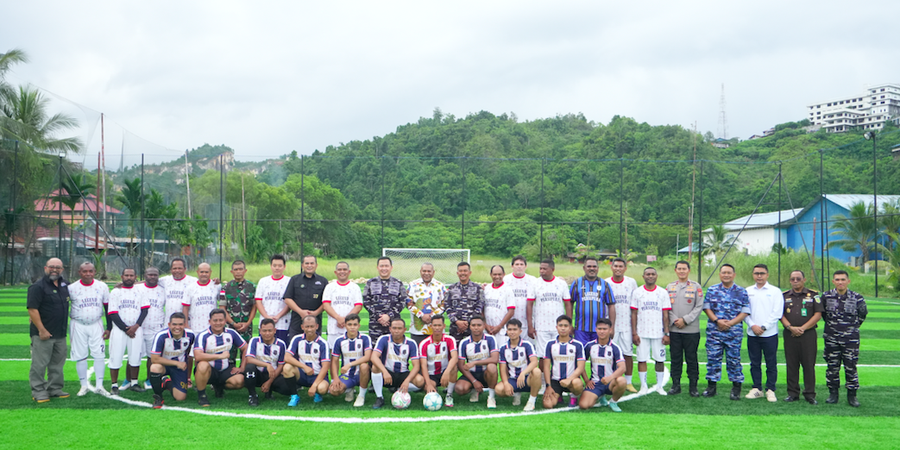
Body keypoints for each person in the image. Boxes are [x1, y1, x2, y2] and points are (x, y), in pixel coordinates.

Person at [703, 264, 750, 400]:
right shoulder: (712, 290)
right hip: (714, 331)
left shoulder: (741, 291)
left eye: (729, 272)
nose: (726, 275)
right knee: (713, 359)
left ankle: (736, 388)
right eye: (724, 272)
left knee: (734, 360)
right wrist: (717, 321)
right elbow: (707, 308)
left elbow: (745, 311)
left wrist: (730, 323)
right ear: (720, 274)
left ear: (734, 275)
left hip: (733, 332)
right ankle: (711, 387)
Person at [821, 270, 867, 407]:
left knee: (851, 366)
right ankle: (833, 393)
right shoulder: (826, 296)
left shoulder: (857, 297)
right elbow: (822, 314)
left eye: (842, 279)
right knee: (832, 367)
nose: (840, 282)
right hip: (831, 338)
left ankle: (852, 395)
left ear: (848, 281)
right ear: (833, 281)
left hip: (850, 339)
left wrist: (851, 328)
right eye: (837, 279)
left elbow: (862, 314)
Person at [28, 258, 71, 403]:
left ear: (62, 269)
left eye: (58, 267)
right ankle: (39, 390)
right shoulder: (38, 287)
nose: (55, 269)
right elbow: (32, 310)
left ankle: (55, 388)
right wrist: (41, 329)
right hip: (43, 334)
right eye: (51, 267)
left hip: (60, 333)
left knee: (57, 364)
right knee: (39, 364)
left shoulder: (65, 285)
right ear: (45, 268)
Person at [67, 262, 110, 396]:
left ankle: (100, 385)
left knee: (99, 354)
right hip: (77, 324)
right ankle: (83, 385)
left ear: (95, 271)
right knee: (80, 355)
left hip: (96, 324)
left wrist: (109, 327)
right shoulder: (71, 288)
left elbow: (107, 307)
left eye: (90, 271)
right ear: (79, 272)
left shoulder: (102, 286)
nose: (88, 274)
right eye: (84, 271)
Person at [780, 270, 823, 405]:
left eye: (798, 278)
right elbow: (780, 314)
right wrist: (790, 327)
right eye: (792, 279)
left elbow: (818, 314)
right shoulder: (784, 296)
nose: (795, 281)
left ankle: (810, 394)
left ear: (804, 280)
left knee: (808, 365)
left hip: (808, 334)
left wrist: (803, 328)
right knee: (792, 365)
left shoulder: (814, 295)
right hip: (790, 334)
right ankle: (792, 393)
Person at [744, 264, 782, 403]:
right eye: (756, 273)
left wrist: (764, 327)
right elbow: (744, 311)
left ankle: (770, 389)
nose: (759, 276)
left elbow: (777, 312)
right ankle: (757, 388)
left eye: (762, 273)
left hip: (769, 334)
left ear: (767, 274)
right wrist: (752, 325)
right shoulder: (747, 291)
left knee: (771, 362)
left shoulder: (775, 291)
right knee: (755, 362)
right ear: (753, 275)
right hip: (752, 333)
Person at [108, 268, 150, 395]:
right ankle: (114, 385)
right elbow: (112, 313)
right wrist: (126, 329)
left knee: (135, 356)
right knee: (116, 356)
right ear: (122, 276)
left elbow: (144, 310)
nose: (129, 277)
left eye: (131, 275)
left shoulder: (140, 291)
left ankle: (134, 383)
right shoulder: (115, 292)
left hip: (136, 330)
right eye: (126, 275)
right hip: (120, 330)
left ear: (135, 277)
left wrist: (136, 326)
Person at [665, 260, 704, 396]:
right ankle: (676, 385)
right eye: (679, 269)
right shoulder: (670, 287)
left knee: (691, 358)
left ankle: (693, 386)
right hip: (675, 329)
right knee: (675, 358)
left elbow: (699, 307)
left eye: (684, 269)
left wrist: (685, 320)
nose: (682, 271)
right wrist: (676, 320)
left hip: (691, 330)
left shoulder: (696, 287)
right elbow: (666, 307)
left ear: (689, 270)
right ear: (675, 270)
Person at [193, 308, 247, 406]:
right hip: (209, 370)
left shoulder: (231, 333)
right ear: (210, 321)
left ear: (225, 321)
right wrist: (219, 356)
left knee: (240, 381)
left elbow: (246, 348)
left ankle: (219, 387)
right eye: (215, 320)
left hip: (225, 369)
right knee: (202, 365)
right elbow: (198, 356)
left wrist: (242, 367)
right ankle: (202, 396)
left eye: (221, 320)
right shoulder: (203, 335)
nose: (218, 323)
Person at [631, 267, 671, 396]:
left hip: (658, 334)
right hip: (642, 333)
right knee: (642, 359)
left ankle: (659, 386)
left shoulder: (663, 292)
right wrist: (634, 333)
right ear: (643, 276)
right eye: (648, 274)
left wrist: (666, 333)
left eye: (653, 274)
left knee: (660, 360)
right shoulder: (637, 292)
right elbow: (634, 313)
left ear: (656, 276)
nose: (650, 276)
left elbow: (666, 314)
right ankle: (643, 386)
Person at [370, 317, 424, 409]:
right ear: (390, 329)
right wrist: (385, 372)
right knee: (375, 367)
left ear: (404, 330)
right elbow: (374, 356)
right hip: (388, 374)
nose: (396, 331)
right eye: (394, 328)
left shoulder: (411, 343)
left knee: (420, 381)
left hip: (403, 374)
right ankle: (379, 397)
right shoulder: (383, 339)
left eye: (399, 328)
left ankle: (399, 390)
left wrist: (407, 381)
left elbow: (416, 366)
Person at [148, 312, 196, 408]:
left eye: (180, 324)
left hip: (179, 368)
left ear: (184, 325)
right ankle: (158, 397)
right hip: (164, 366)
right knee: (154, 368)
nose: (177, 327)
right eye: (174, 324)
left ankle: (166, 383)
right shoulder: (161, 336)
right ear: (169, 325)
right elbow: (154, 359)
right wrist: (176, 363)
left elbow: (189, 351)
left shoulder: (190, 335)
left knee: (180, 397)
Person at [527, 259, 572, 361]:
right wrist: (530, 325)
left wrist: (568, 324)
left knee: (559, 354)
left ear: (552, 269)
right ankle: (543, 377)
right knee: (543, 355)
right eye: (540, 268)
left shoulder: (561, 283)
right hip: (541, 326)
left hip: (559, 326)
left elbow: (568, 304)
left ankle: (557, 376)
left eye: (544, 269)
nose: (542, 271)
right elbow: (529, 305)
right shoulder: (535, 283)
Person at [244, 318, 295, 406]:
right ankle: (252, 396)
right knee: (249, 368)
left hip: (273, 375)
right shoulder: (254, 341)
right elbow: (249, 359)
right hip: (258, 374)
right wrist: (267, 365)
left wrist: (269, 382)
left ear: (275, 331)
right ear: (260, 331)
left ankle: (269, 390)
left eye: (270, 330)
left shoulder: (281, 344)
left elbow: (281, 365)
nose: (267, 333)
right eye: (264, 331)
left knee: (287, 389)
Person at [606, 257, 639, 392]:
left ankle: (629, 382)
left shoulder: (631, 282)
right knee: (609, 354)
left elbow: (635, 304)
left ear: (625, 268)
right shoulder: (606, 283)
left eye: (621, 266)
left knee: (627, 354)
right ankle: (611, 380)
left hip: (626, 324)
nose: (618, 269)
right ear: (611, 267)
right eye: (616, 266)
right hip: (610, 325)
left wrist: (634, 328)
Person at [580, 318, 626, 412]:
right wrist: (586, 380)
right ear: (596, 329)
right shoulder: (589, 346)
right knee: (584, 405)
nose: (602, 331)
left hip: (610, 383)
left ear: (610, 330)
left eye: (604, 329)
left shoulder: (615, 347)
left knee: (622, 381)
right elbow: (580, 364)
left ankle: (613, 401)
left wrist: (610, 378)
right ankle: (600, 396)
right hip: (595, 383)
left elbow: (622, 367)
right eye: (599, 329)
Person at [284, 315, 331, 406]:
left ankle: (318, 393)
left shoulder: (323, 343)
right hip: (302, 374)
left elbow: (325, 367)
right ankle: (294, 395)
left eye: (312, 326)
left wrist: (314, 386)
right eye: (307, 327)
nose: (309, 329)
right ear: (302, 327)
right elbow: (287, 357)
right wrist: (304, 367)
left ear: (317, 326)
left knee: (322, 389)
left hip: (317, 375)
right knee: (287, 368)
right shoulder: (297, 339)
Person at [496, 318, 542, 411]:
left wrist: (523, 373)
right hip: (513, 379)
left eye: (515, 329)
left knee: (537, 371)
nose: (512, 332)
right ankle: (516, 393)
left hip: (527, 379)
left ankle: (531, 401)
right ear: (506, 331)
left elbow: (534, 362)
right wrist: (505, 383)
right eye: (510, 329)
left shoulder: (527, 345)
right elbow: (502, 368)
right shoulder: (503, 348)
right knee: (499, 390)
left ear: (520, 331)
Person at [542, 315, 585, 409]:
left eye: (566, 326)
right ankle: (559, 395)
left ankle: (573, 396)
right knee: (548, 405)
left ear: (570, 328)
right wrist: (548, 385)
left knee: (578, 384)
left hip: (571, 381)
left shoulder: (577, 345)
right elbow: (546, 367)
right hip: (555, 381)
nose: (563, 328)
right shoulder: (550, 344)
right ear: (556, 327)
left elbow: (581, 367)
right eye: (560, 325)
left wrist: (569, 379)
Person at [455, 316, 500, 408]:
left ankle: (491, 397)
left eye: (479, 325)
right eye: (473, 325)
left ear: (484, 326)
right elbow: (461, 365)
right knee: (460, 389)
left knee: (492, 366)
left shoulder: (490, 339)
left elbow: (495, 359)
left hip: (486, 373)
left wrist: (475, 363)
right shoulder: (464, 342)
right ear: (470, 327)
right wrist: (474, 381)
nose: (476, 327)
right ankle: (474, 390)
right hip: (472, 374)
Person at [328, 313, 372, 407]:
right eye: (349, 324)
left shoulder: (365, 338)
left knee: (364, 366)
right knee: (334, 391)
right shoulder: (339, 340)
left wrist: (349, 364)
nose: (352, 327)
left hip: (361, 374)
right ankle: (349, 389)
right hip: (347, 375)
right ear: (345, 325)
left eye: (355, 325)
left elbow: (367, 357)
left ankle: (361, 395)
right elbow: (334, 361)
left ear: (359, 326)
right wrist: (335, 379)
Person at [570, 257, 616, 345]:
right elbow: (570, 304)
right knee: (581, 356)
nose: (592, 269)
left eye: (594, 266)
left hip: (600, 329)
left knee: (598, 356)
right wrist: (569, 324)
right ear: (584, 268)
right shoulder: (576, 283)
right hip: (581, 329)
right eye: (589, 266)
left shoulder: (605, 284)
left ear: (598, 268)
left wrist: (612, 327)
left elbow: (611, 306)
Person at [362, 257, 407, 343]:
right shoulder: (370, 283)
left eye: (386, 266)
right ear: (377, 267)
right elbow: (366, 302)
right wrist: (379, 317)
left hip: (394, 325)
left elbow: (402, 302)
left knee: (394, 350)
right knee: (375, 350)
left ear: (391, 267)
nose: (384, 268)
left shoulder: (398, 283)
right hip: (375, 324)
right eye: (381, 266)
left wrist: (389, 316)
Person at [221, 260, 257, 367]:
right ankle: (229, 376)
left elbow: (254, 307)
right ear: (232, 271)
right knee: (229, 352)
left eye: (240, 269)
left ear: (245, 271)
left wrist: (248, 323)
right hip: (231, 327)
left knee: (246, 352)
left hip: (247, 326)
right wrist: (232, 323)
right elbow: (222, 308)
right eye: (235, 269)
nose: (238, 272)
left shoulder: (252, 287)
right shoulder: (226, 287)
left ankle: (244, 375)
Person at [136, 267, 166, 391]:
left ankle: (149, 379)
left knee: (152, 356)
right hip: (138, 326)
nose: (152, 277)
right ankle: (131, 379)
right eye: (150, 274)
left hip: (156, 326)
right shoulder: (137, 288)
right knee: (134, 355)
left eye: (155, 274)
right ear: (145, 275)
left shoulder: (163, 289)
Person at [283, 255, 328, 340]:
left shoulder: (323, 281)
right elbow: (288, 298)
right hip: (297, 321)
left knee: (314, 348)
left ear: (316, 265)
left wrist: (315, 313)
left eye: (312, 263)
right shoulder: (294, 279)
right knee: (295, 347)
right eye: (306, 263)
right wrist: (301, 312)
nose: (309, 265)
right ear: (302, 265)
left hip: (315, 322)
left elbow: (326, 302)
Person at [419, 315, 459, 407]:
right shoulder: (424, 343)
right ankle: (434, 388)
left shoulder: (450, 340)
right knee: (429, 389)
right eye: (435, 325)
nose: (437, 328)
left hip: (446, 372)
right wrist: (428, 384)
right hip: (432, 375)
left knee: (454, 368)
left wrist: (446, 372)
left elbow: (454, 358)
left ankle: (449, 395)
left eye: (439, 325)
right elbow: (423, 365)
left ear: (444, 326)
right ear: (431, 326)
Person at [322, 261, 363, 350]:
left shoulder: (355, 287)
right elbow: (326, 305)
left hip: (350, 327)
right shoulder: (329, 287)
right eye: (339, 269)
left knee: (350, 353)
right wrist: (338, 318)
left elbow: (358, 306)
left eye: (345, 269)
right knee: (333, 354)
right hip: (333, 327)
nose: (342, 271)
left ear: (349, 272)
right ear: (335, 272)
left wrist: (345, 320)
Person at [406, 262, 447, 345]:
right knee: (418, 355)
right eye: (424, 271)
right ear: (420, 271)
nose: (426, 273)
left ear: (433, 272)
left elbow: (445, 304)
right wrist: (421, 315)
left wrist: (432, 316)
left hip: (436, 330)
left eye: (429, 271)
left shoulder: (440, 286)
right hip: (417, 330)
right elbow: (408, 303)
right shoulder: (413, 285)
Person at [444, 262, 486, 342]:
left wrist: (468, 322)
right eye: (460, 271)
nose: (463, 273)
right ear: (457, 273)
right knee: (455, 352)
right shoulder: (451, 288)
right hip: (455, 328)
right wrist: (457, 321)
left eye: (465, 271)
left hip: (473, 328)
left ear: (470, 273)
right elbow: (447, 305)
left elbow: (480, 306)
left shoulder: (477, 288)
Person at [255, 255, 290, 343]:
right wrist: (267, 317)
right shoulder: (263, 281)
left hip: (282, 323)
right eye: (274, 265)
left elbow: (290, 302)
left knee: (281, 349)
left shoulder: (289, 281)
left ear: (284, 267)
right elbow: (258, 301)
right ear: (271, 266)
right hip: (265, 323)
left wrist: (278, 316)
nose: (277, 268)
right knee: (264, 351)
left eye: (280, 266)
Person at [504, 255, 537, 344]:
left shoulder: (533, 280)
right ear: (512, 266)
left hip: (527, 323)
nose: (519, 266)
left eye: (521, 264)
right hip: (510, 322)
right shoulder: (505, 280)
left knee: (528, 349)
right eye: (516, 264)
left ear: (525, 266)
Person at [483, 265, 516, 349]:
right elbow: (482, 309)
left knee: (502, 356)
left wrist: (499, 326)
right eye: (494, 274)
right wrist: (486, 325)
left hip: (501, 330)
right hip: (487, 330)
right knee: (487, 355)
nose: (497, 277)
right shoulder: (486, 289)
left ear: (503, 274)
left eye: (499, 274)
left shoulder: (508, 289)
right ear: (491, 275)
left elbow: (511, 311)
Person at [183, 263, 221, 332]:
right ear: (197, 272)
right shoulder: (190, 288)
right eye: (202, 272)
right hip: (195, 327)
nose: (204, 274)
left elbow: (222, 304)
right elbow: (185, 307)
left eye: (206, 272)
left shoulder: (217, 286)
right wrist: (186, 324)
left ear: (210, 272)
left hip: (213, 328)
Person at [158, 257, 197, 323]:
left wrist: (216, 281)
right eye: (174, 268)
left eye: (180, 268)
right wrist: (134, 284)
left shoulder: (193, 281)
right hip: (169, 321)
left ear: (185, 269)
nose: (177, 270)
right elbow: (149, 281)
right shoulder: (165, 280)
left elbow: (206, 282)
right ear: (171, 269)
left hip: (186, 322)